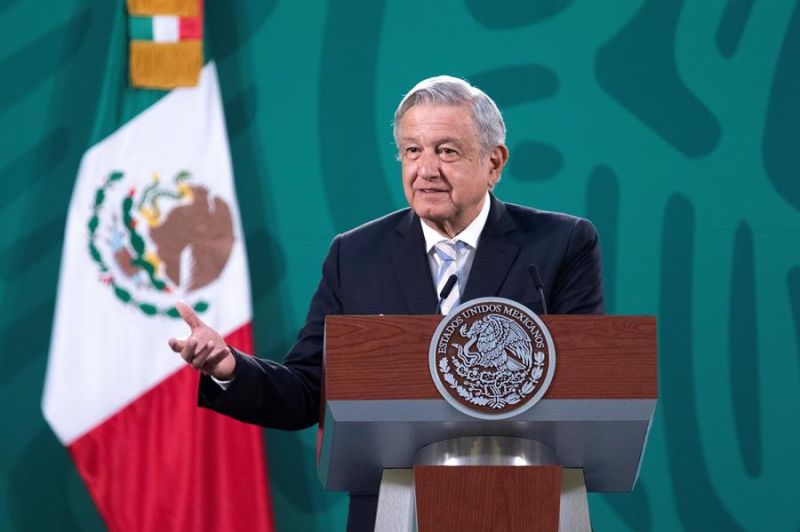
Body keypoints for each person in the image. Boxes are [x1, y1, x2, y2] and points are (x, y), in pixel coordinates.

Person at [168, 75, 604, 531]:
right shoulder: (356, 255)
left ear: (494, 163)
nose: (426, 169)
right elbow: (307, 390)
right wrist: (230, 369)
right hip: (392, 509)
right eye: (412, 151)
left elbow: (584, 387)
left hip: (518, 503)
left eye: (447, 151)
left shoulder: (560, 245)